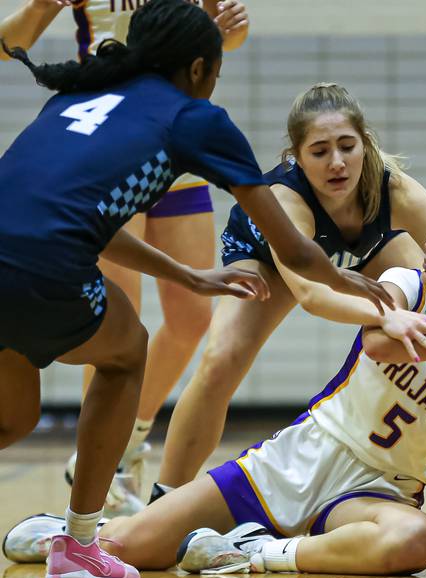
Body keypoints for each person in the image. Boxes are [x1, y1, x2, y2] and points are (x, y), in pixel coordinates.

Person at [0, 0, 396, 578]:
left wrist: (189, 277)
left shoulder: (78, 96)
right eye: (214, 68)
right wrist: (347, 278)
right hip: (44, 265)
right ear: (197, 69)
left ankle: (84, 529)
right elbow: (290, 246)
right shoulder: (196, 118)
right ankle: (80, 546)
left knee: (13, 418)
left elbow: (90, 217)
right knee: (127, 349)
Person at [5, 201, 426, 576]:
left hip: (379, 493)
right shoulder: (403, 286)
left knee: (416, 540)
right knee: (136, 548)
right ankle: (68, 535)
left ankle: (252, 554)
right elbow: (380, 344)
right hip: (301, 456)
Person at [147, 83, 426, 564]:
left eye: (347, 146)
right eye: (319, 152)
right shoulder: (287, 197)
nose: (336, 162)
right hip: (276, 263)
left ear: (367, 144)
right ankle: (166, 498)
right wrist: (394, 316)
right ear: (297, 158)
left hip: (361, 255)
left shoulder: (395, 189)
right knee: (221, 359)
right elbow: (313, 294)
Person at [0, 0, 253, 516]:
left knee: (191, 316)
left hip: (175, 143)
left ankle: (130, 438)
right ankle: (104, 469)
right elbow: (7, 43)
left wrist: (228, 34)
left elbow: (219, 40)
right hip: (108, 139)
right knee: (119, 320)